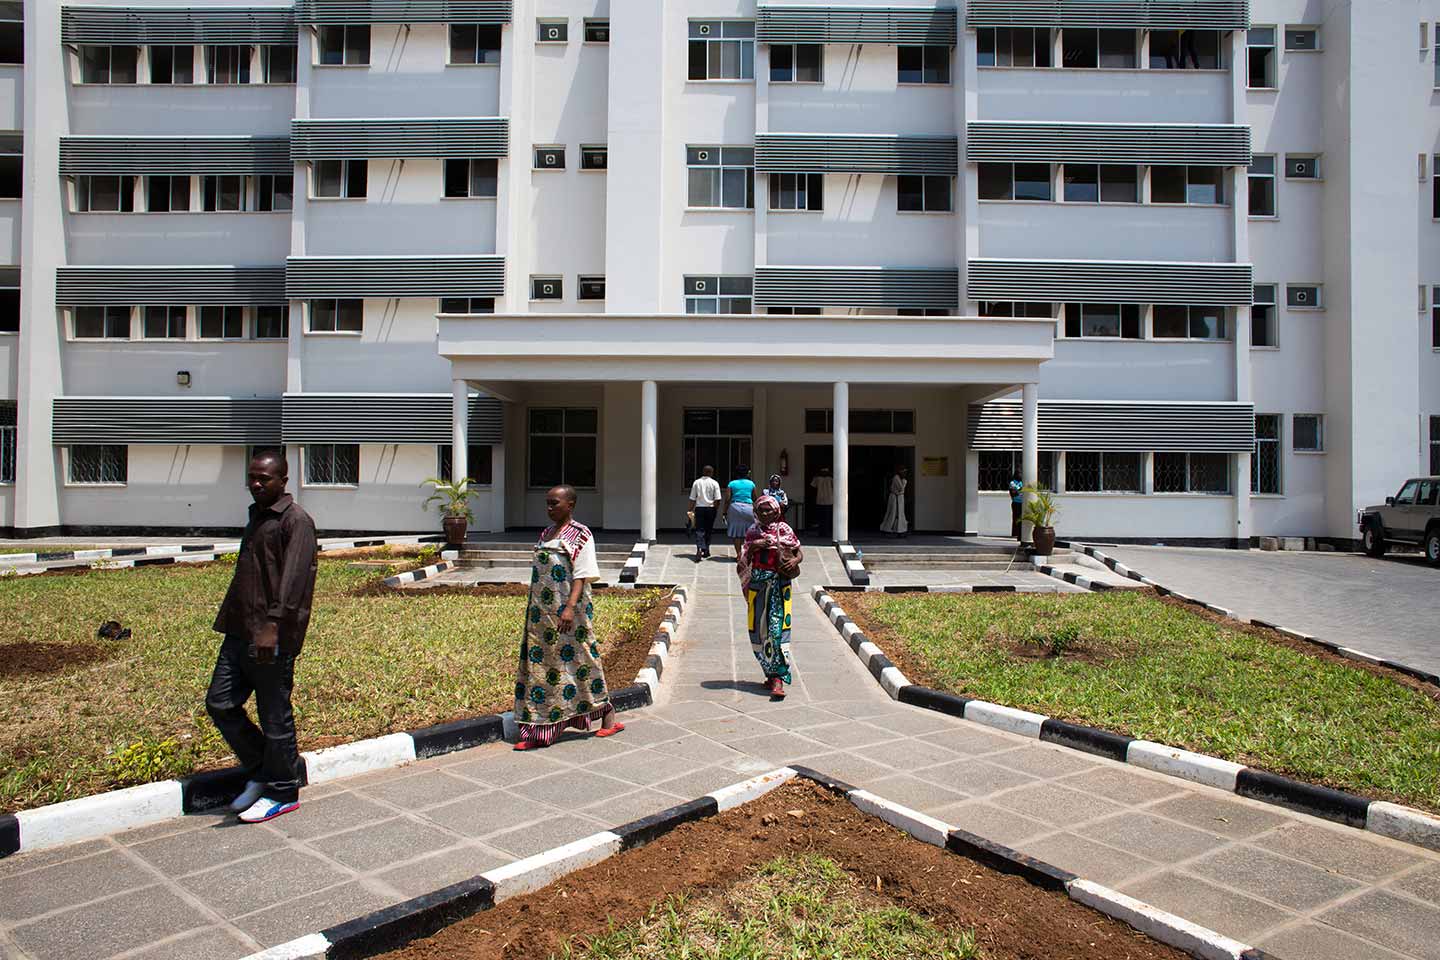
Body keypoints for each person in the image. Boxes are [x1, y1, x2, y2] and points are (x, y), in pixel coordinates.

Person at [207, 450, 318, 824]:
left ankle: (284, 790)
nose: (256, 484)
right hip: (240, 630)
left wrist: (273, 626)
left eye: (264, 479)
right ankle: (264, 768)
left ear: (283, 481)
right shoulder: (256, 517)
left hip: (273, 637)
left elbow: (294, 580)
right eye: (252, 477)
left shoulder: (296, 522)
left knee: (275, 716)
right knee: (220, 704)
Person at [512, 485, 623, 750]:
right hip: (541, 617)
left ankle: (607, 716)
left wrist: (570, 608)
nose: (550, 509)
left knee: (582, 659)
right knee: (541, 666)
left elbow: (581, 575)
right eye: (548, 504)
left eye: (555, 504)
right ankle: (540, 728)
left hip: (569, 614)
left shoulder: (580, 535)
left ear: (570, 504)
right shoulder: (546, 534)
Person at [737, 495, 799, 699]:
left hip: (780, 588)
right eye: (761, 510)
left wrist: (794, 561)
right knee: (758, 631)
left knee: (777, 630)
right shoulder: (752, 532)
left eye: (768, 510)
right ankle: (769, 673)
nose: (765, 514)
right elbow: (743, 560)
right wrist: (755, 546)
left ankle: (778, 679)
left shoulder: (785, 530)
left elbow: (799, 551)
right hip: (758, 587)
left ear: (776, 511)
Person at [721, 464, 757, 557]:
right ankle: (748, 554)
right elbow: (754, 498)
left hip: (735, 507)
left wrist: (724, 512)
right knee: (750, 532)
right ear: (747, 473)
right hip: (749, 507)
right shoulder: (751, 484)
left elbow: (727, 499)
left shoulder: (732, 484)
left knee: (736, 533)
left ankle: (738, 555)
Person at [688, 465, 722, 561]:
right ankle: (706, 550)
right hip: (711, 509)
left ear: (703, 472)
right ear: (711, 473)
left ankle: (699, 548)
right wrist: (715, 509)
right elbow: (718, 499)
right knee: (709, 530)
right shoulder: (715, 483)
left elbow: (692, 498)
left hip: (699, 508)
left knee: (699, 529)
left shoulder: (697, 482)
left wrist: (690, 510)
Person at [880, 465, 909, 537]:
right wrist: (905, 481)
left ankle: (900, 530)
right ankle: (887, 529)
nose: (905, 473)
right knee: (892, 514)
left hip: (899, 498)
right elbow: (901, 488)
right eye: (904, 472)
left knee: (900, 515)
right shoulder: (896, 478)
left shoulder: (901, 479)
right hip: (895, 498)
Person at [810, 467, 834, 540]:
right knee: (826, 518)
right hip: (828, 500)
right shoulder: (831, 478)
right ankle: (826, 532)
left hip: (820, 500)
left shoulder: (818, 478)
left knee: (821, 518)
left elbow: (812, 485)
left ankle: (822, 532)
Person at [1008, 472, 1025, 540]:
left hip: (1022, 503)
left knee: (1021, 519)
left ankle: (1020, 535)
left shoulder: (1022, 482)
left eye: (1021, 474)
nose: (1020, 475)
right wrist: (1021, 489)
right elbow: (1014, 493)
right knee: (1016, 518)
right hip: (1016, 503)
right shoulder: (1012, 483)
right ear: (1016, 475)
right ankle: (1016, 534)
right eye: (1019, 474)